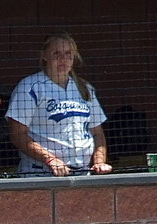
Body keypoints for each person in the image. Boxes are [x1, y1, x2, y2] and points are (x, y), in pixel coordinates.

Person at [6, 32, 113, 176]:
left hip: (82, 172)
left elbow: (97, 133)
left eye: (68, 54)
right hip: (41, 173)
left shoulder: (84, 88)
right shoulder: (30, 87)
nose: (63, 59)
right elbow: (18, 134)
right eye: (57, 54)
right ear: (45, 56)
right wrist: (50, 160)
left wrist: (99, 161)